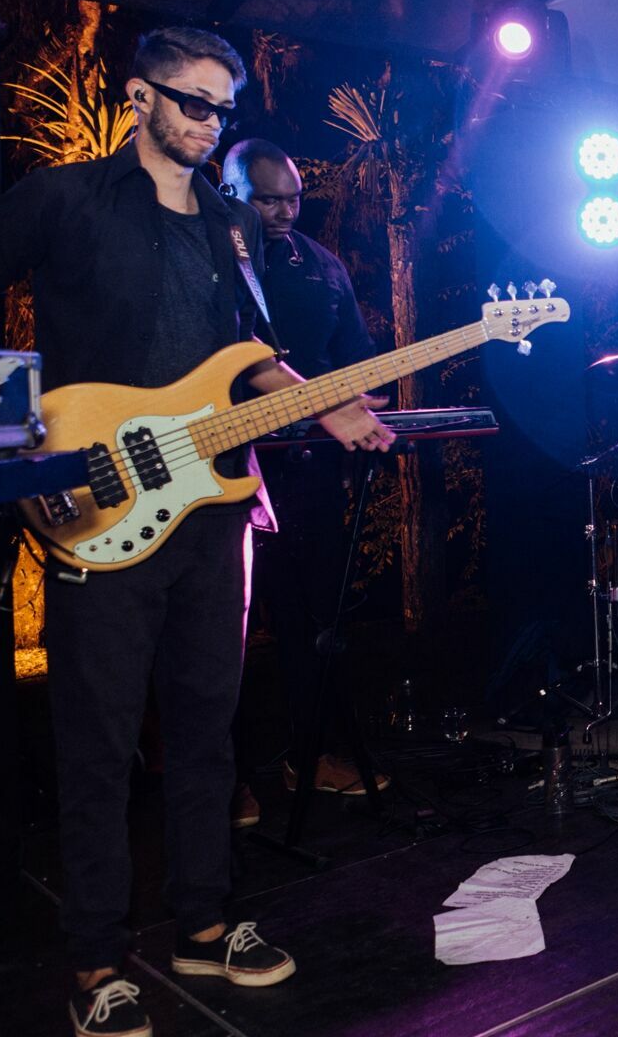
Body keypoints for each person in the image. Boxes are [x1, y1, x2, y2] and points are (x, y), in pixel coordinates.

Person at [0, 28, 393, 1037]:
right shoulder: (64, 198)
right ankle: (93, 959)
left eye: (224, 108)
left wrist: (326, 401)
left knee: (208, 722)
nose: (211, 124)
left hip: (211, 507)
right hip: (99, 501)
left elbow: (246, 356)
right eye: (193, 103)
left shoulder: (230, 223)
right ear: (139, 97)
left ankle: (205, 921)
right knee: (97, 739)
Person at [223, 139, 390, 825]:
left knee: (314, 620)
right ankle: (221, 775)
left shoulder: (321, 267)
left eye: (293, 197)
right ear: (230, 190)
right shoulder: (207, 260)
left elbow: (353, 360)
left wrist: (363, 394)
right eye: (267, 199)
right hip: (224, 467)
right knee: (219, 632)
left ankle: (309, 753)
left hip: (312, 470)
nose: (285, 211)